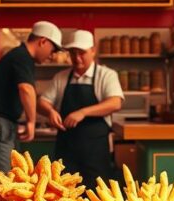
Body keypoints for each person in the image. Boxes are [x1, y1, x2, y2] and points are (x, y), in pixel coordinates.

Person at [39, 30, 124, 184]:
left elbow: (115, 103)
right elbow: (42, 102)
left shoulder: (106, 75)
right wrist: (50, 111)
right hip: (66, 150)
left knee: (97, 197)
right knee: (64, 194)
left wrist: (83, 112)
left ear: (93, 50)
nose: (77, 58)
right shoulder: (61, 77)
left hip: (96, 152)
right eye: (73, 53)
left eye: (82, 53)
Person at [0, 21, 62, 175]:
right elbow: (26, 89)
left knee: (10, 175)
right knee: (1, 178)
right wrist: (31, 121)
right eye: (52, 50)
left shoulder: (20, 56)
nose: (51, 56)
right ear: (43, 41)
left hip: (2, 123)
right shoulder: (22, 56)